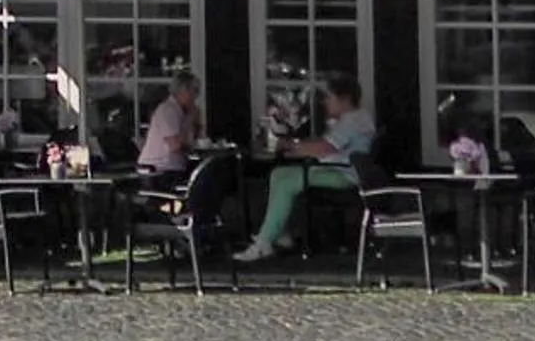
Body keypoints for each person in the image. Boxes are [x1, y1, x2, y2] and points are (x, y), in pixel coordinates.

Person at [234, 74, 375, 263]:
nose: (325, 102)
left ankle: (263, 243)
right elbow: (326, 144)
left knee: (287, 184)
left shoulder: (352, 121)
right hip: (338, 168)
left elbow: (324, 148)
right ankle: (281, 232)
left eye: (329, 97)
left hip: (344, 174)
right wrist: (297, 146)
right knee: (279, 173)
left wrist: (289, 146)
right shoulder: (356, 118)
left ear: (344, 99)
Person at [138, 72, 203, 176]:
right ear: (183, 90)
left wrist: (197, 125)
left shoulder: (183, 111)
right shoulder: (168, 110)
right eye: (194, 91)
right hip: (158, 168)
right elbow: (175, 145)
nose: (196, 96)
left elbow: (193, 141)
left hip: (175, 166)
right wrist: (189, 120)